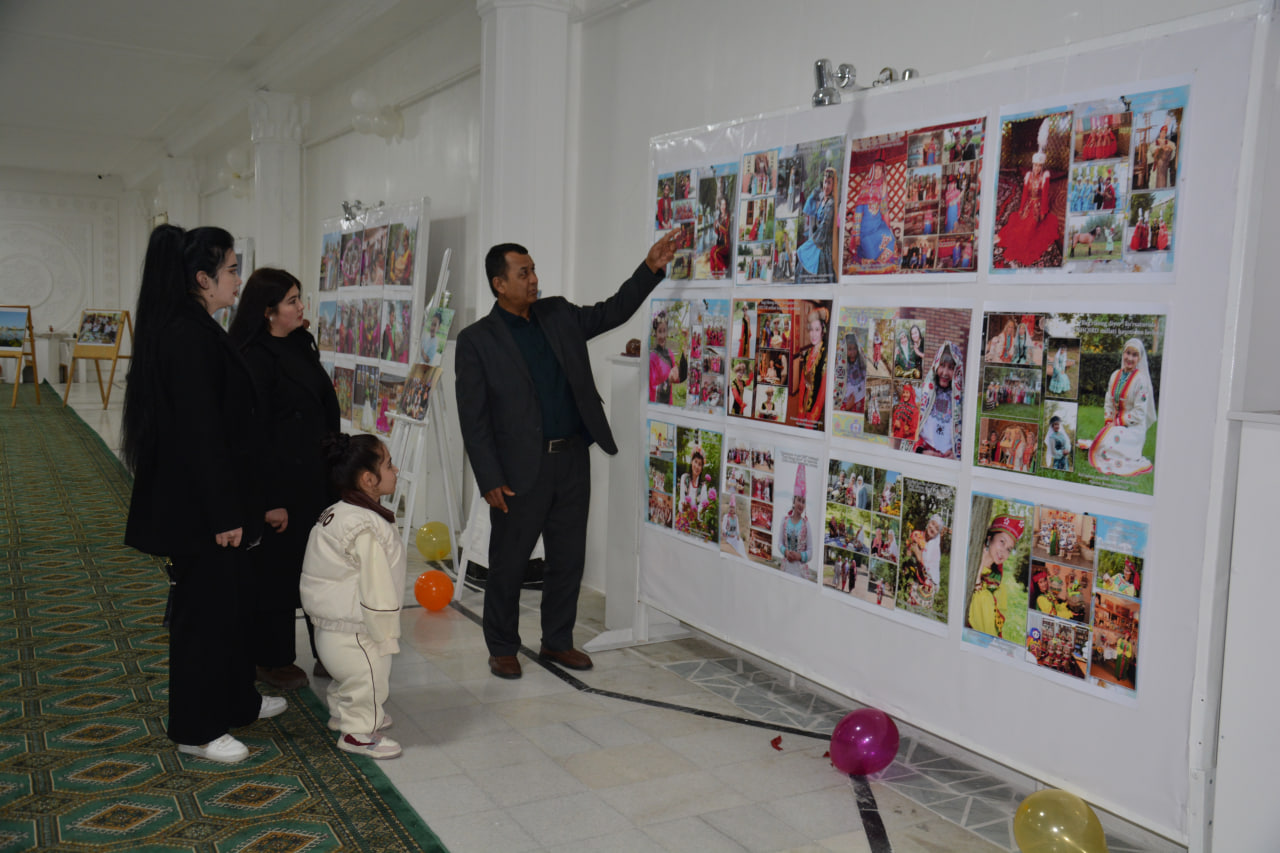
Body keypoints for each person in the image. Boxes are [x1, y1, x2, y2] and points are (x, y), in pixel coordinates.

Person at [456, 234, 677, 679]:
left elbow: (613, 311)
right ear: (500, 284)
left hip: (572, 458)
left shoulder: (557, 314)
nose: (534, 279)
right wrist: (489, 478)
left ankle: (557, 640)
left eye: (534, 270)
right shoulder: (477, 340)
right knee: (509, 562)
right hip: (518, 470)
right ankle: (502, 646)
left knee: (568, 558)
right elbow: (473, 418)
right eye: (524, 273)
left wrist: (649, 268)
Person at [123, 225, 284, 764]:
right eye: (233, 269)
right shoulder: (185, 334)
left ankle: (236, 701)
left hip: (217, 501)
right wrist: (222, 513)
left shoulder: (198, 327)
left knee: (231, 606)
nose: (239, 278)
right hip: (200, 509)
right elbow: (199, 434)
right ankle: (195, 728)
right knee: (203, 616)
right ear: (202, 278)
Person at [229, 267, 341, 690]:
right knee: (278, 573)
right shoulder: (253, 357)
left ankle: (328, 650)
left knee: (321, 569)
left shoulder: (299, 344)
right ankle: (273, 658)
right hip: (280, 485)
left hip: (316, 478)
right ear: (268, 311)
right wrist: (268, 500)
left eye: (299, 298)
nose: (300, 307)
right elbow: (252, 436)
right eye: (292, 300)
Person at [300, 433, 406, 759]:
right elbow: (377, 586)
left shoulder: (339, 511)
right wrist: (386, 632)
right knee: (370, 678)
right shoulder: (365, 527)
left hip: (331, 629)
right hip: (356, 630)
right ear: (368, 479)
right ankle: (358, 732)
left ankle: (342, 714)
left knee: (350, 678)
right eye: (389, 465)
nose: (396, 471)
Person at [1078, 338, 1158, 476]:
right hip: (1116, 425)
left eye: (1134, 355)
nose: (1130, 358)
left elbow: (1139, 413)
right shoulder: (1115, 375)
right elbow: (1108, 400)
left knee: (1109, 440)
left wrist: (1117, 423)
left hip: (1134, 429)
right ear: (1123, 353)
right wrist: (1109, 421)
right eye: (1128, 353)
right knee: (1106, 438)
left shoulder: (1141, 381)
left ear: (1139, 358)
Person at [997, 130, 1060, 266]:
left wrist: (1043, 212)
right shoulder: (1028, 176)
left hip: (1038, 206)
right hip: (1028, 206)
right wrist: (1021, 209)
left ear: (1042, 167)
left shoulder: (1044, 178)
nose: (1037, 168)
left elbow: (1044, 196)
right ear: (1032, 165)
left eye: (1039, 166)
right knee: (1019, 226)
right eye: (1035, 165)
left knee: (1031, 229)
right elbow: (1025, 194)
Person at [968, 515, 1024, 637]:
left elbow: (989, 627)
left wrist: (977, 581)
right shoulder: (968, 560)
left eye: (1009, 549)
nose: (1004, 551)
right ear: (990, 539)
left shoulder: (999, 586)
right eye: (1002, 542)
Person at [913, 342, 963, 458]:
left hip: (948, 461)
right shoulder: (922, 394)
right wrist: (921, 451)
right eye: (942, 365)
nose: (945, 373)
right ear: (935, 366)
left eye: (951, 368)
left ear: (957, 371)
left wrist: (956, 454)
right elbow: (909, 431)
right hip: (922, 457)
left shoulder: (962, 403)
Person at [849, 160, 897, 266]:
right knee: (871, 256)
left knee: (891, 240)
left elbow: (884, 210)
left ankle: (877, 262)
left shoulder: (882, 186)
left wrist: (883, 194)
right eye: (876, 169)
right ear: (872, 170)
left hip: (878, 227)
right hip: (866, 232)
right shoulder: (864, 187)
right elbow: (858, 213)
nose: (878, 172)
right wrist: (857, 234)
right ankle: (866, 259)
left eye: (880, 169)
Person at [789, 309, 827, 427]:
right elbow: (802, 382)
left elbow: (823, 390)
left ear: (823, 331)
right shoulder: (808, 353)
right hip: (805, 403)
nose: (813, 334)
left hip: (817, 408)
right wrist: (800, 406)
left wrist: (813, 415)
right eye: (811, 329)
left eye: (817, 329)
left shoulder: (826, 354)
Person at [779, 467, 812, 580]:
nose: (801, 504)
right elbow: (779, 543)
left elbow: (810, 551)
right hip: (785, 568)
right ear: (794, 501)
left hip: (800, 573)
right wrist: (786, 552)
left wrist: (799, 556)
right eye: (799, 500)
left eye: (803, 502)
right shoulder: (784, 520)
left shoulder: (806, 525)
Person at [649, 310, 685, 404]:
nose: (662, 335)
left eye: (664, 331)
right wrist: (668, 380)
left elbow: (677, 379)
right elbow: (652, 388)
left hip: (669, 404)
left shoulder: (670, 354)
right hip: (657, 406)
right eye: (659, 331)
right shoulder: (652, 358)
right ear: (655, 333)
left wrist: (684, 354)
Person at [1150, 124, 1177, 189]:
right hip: (1157, 166)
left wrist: (1168, 148)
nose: (1163, 134)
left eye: (1164, 133)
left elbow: (1172, 151)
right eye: (1162, 132)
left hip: (1164, 167)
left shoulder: (1169, 143)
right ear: (1160, 133)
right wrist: (1160, 149)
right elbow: (1152, 151)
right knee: (1155, 183)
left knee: (1164, 182)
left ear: (1165, 134)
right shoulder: (1155, 143)